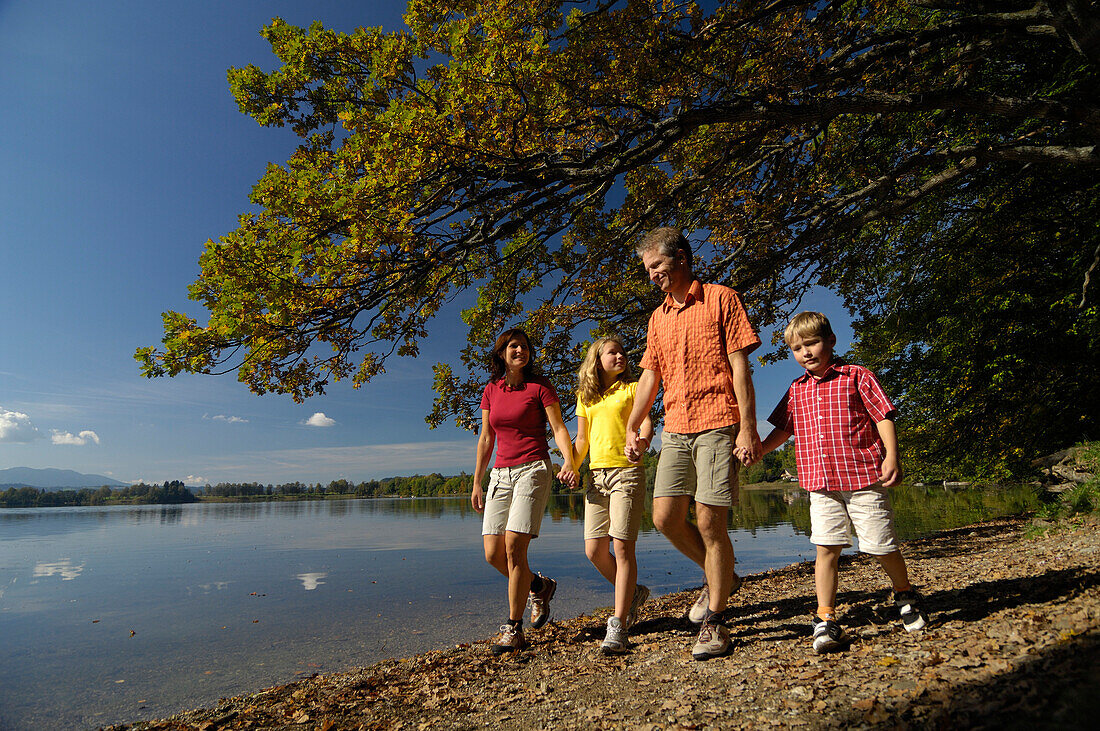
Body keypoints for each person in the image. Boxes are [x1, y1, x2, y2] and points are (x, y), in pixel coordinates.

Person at [753, 311, 928, 655]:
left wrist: (892, 456)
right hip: (820, 483)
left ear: (830, 341)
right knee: (826, 547)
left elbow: (883, 415)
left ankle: (905, 593)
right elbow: (784, 429)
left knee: (880, 544)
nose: (806, 352)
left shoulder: (855, 376)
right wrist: (758, 450)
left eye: (813, 343)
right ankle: (825, 617)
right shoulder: (796, 389)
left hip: (863, 476)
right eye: (797, 348)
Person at [625, 227, 762, 661]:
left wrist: (747, 428)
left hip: (719, 421)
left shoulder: (723, 298)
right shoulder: (657, 318)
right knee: (664, 516)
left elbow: (741, 368)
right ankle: (721, 576)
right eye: (647, 270)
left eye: (656, 266)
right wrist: (634, 423)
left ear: (681, 258)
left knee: (709, 523)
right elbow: (650, 374)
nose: (651, 276)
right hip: (676, 428)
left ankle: (716, 621)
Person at [471, 328, 579, 655]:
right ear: (502, 353)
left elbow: (559, 428)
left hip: (534, 468)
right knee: (493, 553)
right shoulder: (491, 390)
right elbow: (486, 438)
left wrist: (570, 462)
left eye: (525, 346)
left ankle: (513, 628)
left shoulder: (540, 386)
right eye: (513, 346)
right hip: (500, 474)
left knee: (515, 547)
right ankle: (538, 586)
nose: (521, 350)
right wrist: (477, 480)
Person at [571, 337, 655, 655]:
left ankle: (618, 624)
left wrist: (642, 443)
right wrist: (570, 466)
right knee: (594, 550)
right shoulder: (585, 398)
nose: (620, 355)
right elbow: (581, 441)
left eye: (622, 351)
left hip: (626, 473)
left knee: (621, 547)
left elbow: (646, 423)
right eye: (612, 352)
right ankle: (633, 593)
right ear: (597, 359)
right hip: (595, 478)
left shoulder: (633, 389)